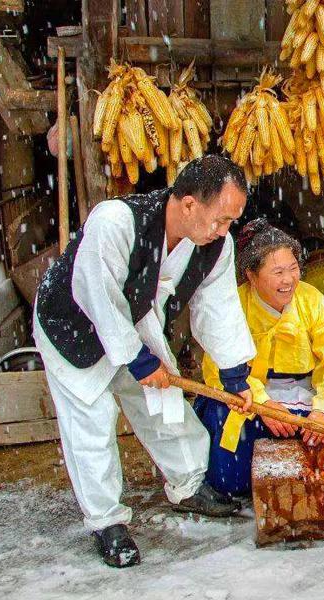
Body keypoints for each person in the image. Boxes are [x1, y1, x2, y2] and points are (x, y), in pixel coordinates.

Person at [33, 155, 258, 568]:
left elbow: (219, 308)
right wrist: (138, 360)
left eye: (231, 221)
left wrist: (234, 375)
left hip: (132, 320)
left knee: (162, 399)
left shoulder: (216, 246)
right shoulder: (117, 221)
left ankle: (188, 485)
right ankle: (106, 522)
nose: (225, 230)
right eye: (221, 219)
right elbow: (98, 296)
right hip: (72, 325)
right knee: (91, 418)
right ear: (189, 204)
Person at [194, 219, 324, 497]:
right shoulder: (233, 305)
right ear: (251, 275)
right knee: (229, 474)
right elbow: (217, 367)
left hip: (306, 388)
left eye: (293, 268)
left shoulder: (311, 299)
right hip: (249, 391)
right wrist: (263, 403)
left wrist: (322, 410)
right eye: (278, 272)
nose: (288, 280)